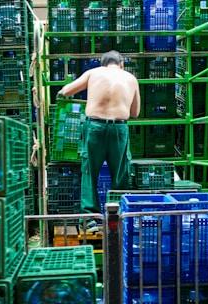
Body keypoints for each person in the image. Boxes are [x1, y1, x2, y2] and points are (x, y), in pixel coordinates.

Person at [57, 50, 141, 232]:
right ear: (121, 64)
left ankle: (89, 220)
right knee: (120, 174)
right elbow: (135, 112)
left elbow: (66, 91)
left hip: (95, 127)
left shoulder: (93, 73)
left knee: (90, 172)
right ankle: (116, 217)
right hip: (119, 128)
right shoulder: (131, 78)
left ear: (103, 64)